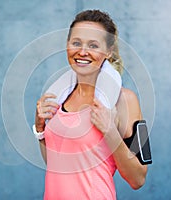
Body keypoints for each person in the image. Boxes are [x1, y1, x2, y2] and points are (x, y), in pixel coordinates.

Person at [33, 9, 148, 199]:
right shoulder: (59, 99)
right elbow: (56, 165)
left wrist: (110, 131)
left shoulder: (126, 100)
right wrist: (40, 129)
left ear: (108, 51)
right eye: (76, 43)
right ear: (67, 45)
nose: (82, 51)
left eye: (93, 45)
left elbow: (138, 178)